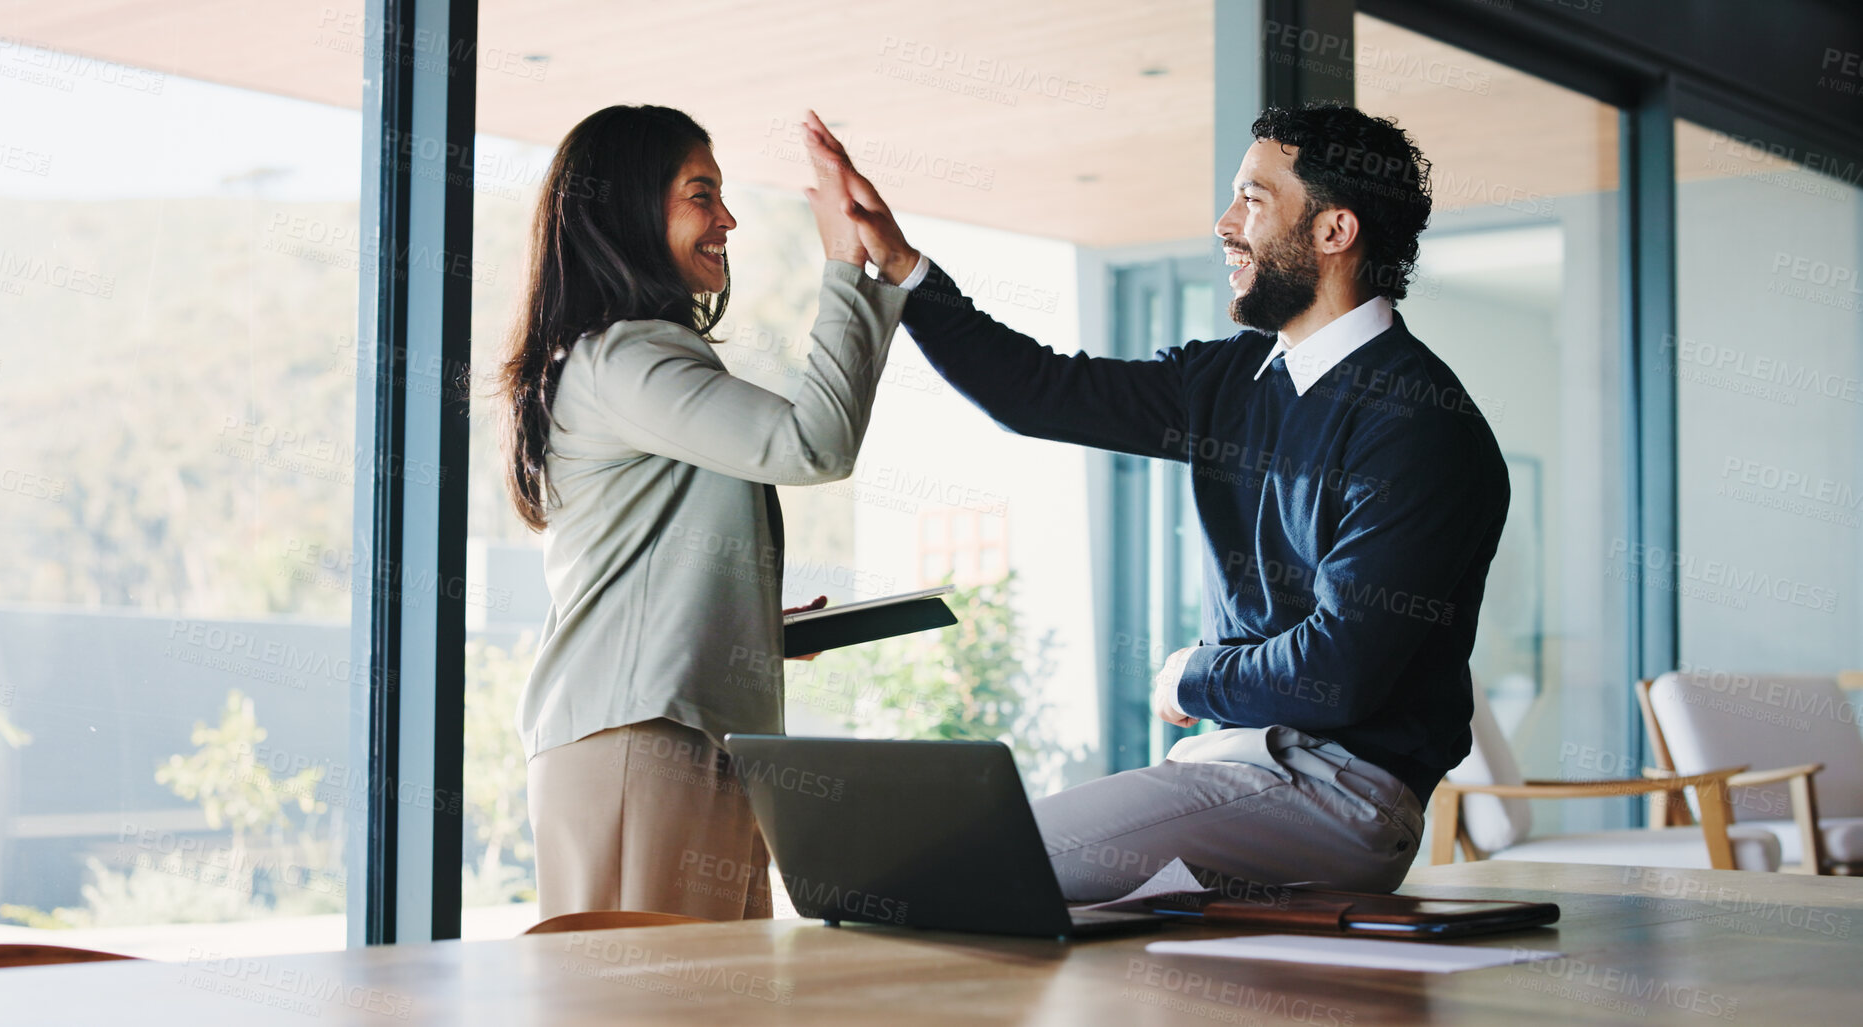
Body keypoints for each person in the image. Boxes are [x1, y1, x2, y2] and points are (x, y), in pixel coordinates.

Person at [814, 103, 1509, 898]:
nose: (1223, 222)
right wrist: (903, 266)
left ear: (1333, 232)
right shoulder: (1230, 379)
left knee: (973, 864)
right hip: (1228, 766)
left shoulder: (1420, 426)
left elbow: (1338, 673)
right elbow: (1034, 392)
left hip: (1338, 794)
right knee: (995, 887)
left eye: (1252, 198)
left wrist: (1190, 674)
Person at [494, 105, 924, 919]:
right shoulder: (625, 356)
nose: (727, 219)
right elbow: (812, 442)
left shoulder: (618, 355)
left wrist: (747, 622)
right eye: (701, 194)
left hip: (676, 731)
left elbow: (654, 549)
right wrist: (842, 260)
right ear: (628, 207)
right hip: (640, 737)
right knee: (647, 1001)